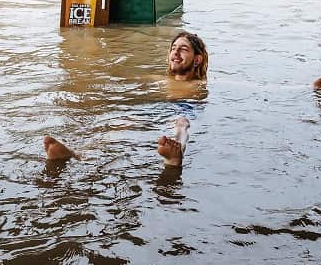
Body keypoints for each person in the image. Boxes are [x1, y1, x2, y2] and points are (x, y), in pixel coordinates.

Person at [44, 31, 209, 167]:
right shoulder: (158, 79)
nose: (176, 52)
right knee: (122, 121)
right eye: (173, 48)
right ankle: (78, 154)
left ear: (197, 59)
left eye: (183, 49)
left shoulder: (200, 84)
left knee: (182, 124)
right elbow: (124, 80)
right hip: (157, 108)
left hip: (186, 106)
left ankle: (175, 155)